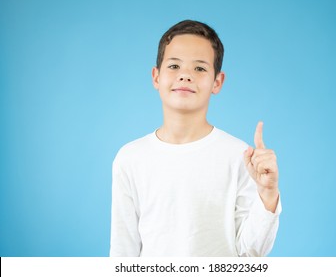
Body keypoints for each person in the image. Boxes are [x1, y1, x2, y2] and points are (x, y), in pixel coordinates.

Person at [110, 20, 281, 257]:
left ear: (217, 82)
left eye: (199, 68)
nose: (185, 76)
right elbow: (123, 251)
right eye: (174, 66)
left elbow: (251, 253)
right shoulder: (130, 158)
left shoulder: (239, 156)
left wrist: (268, 194)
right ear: (156, 76)